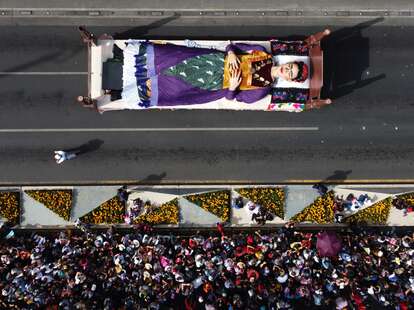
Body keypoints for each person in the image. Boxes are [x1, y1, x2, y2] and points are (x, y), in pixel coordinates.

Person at [114, 41, 313, 109]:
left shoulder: (262, 90)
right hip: (213, 60)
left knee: (172, 88)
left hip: (213, 83)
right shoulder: (261, 52)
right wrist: (233, 54)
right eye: (290, 67)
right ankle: (124, 57)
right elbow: (231, 46)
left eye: (290, 74)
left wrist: (234, 85)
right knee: (170, 55)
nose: (287, 70)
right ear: (288, 63)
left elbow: (232, 98)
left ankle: (120, 92)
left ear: (288, 79)